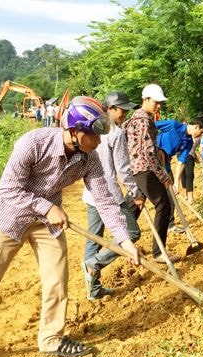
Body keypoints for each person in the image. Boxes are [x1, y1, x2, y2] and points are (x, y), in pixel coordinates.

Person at [0, 96, 141, 357]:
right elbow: (7, 190)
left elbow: (106, 202)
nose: (100, 141)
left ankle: (51, 338)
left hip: (46, 225)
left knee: (56, 279)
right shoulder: (33, 143)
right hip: (10, 218)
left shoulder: (89, 160)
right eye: (95, 134)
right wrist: (47, 206)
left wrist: (124, 241)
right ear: (76, 131)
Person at [81, 91, 145, 300]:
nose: (124, 113)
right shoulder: (115, 133)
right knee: (132, 232)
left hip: (92, 192)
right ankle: (95, 263)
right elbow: (123, 168)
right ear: (110, 109)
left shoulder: (92, 129)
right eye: (121, 109)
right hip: (109, 194)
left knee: (94, 239)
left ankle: (94, 289)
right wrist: (135, 193)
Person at [125, 84, 180, 262]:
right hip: (144, 170)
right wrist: (163, 176)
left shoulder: (134, 119)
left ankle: (122, 242)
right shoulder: (144, 121)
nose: (159, 106)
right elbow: (147, 154)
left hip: (136, 169)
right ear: (146, 99)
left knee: (134, 206)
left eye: (160, 103)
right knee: (163, 205)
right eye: (156, 102)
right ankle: (159, 252)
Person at [155, 117, 203, 228]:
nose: (200, 135)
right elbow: (151, 125)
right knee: (139, 194)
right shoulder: (173, 125)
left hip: (165, 165)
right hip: (150, 161)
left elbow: (181, 163)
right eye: (201, 132)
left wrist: (176, 183)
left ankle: (170, 225)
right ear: (196, 127)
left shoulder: (189, 142)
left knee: (171, 196)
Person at [179, 135, 202, 204]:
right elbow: (191, 149)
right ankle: (190, 197)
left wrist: (196, 157)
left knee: (184, 175)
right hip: (189, 156)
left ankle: (186, 195)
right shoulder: (191, 138)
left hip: (180, 155)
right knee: (189, 176)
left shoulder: (180, 137)